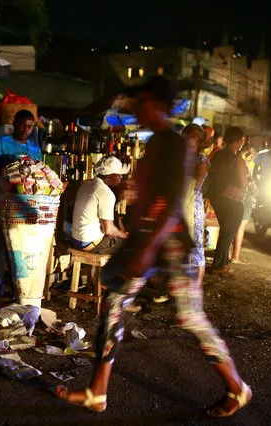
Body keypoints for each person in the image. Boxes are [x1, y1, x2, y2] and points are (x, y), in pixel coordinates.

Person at [56, 77, 251, 418]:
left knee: (190, 318)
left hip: (168, 244)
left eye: (142, 103)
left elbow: (173, 201)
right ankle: (97, 391)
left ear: (158, 106)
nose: (136, 110)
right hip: (150, 240)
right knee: (112, 303)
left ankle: (238, 388)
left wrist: (147, 249)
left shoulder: (175, 145)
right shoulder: (158, 143)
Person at [0, 109, 41, 305]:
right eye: (22, 125)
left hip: (26, 206)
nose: (26, 129)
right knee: (0, 250)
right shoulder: (2, 143)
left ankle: (17, 292)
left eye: (30, 126)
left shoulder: (35, 148)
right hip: (4, 203)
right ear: (15, 124)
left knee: (20, 250)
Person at [207, 127, 249, 277]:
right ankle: (218, 265)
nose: (242, 144)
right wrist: (248, 179)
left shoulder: (219, 155)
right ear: (238, 141)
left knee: (226, 231)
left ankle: (222, 263)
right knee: (228, 233)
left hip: (217, 197)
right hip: (232, 199)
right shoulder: (235, 158)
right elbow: (242, 182)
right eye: (242, 141)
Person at [71, 155, 129, 254]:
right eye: (118, 174)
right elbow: (109, 230)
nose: (121, 177)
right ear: (108, 176)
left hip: (76, 239)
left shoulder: (86, 184)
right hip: (89, 243)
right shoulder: (106, 193)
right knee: (130, 247)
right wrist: (124, 235)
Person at [182, 124, 211, 292]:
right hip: (179, 205)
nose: (185, 138)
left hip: (192, 207)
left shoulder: (201, 161)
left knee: (196, 247)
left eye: (190, 136)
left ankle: (195, 287)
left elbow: (195, 185)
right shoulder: (179, 158)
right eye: (185, 134)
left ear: (198, 141)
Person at [231, 143, 257, 265]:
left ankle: (229, 255)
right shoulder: (242, 162)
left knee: (232, 226)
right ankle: (235, 256)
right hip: (244, 196)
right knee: (240, 227)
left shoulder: (232, 159)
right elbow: (247, 181)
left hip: (234, 196)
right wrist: (255, 190)